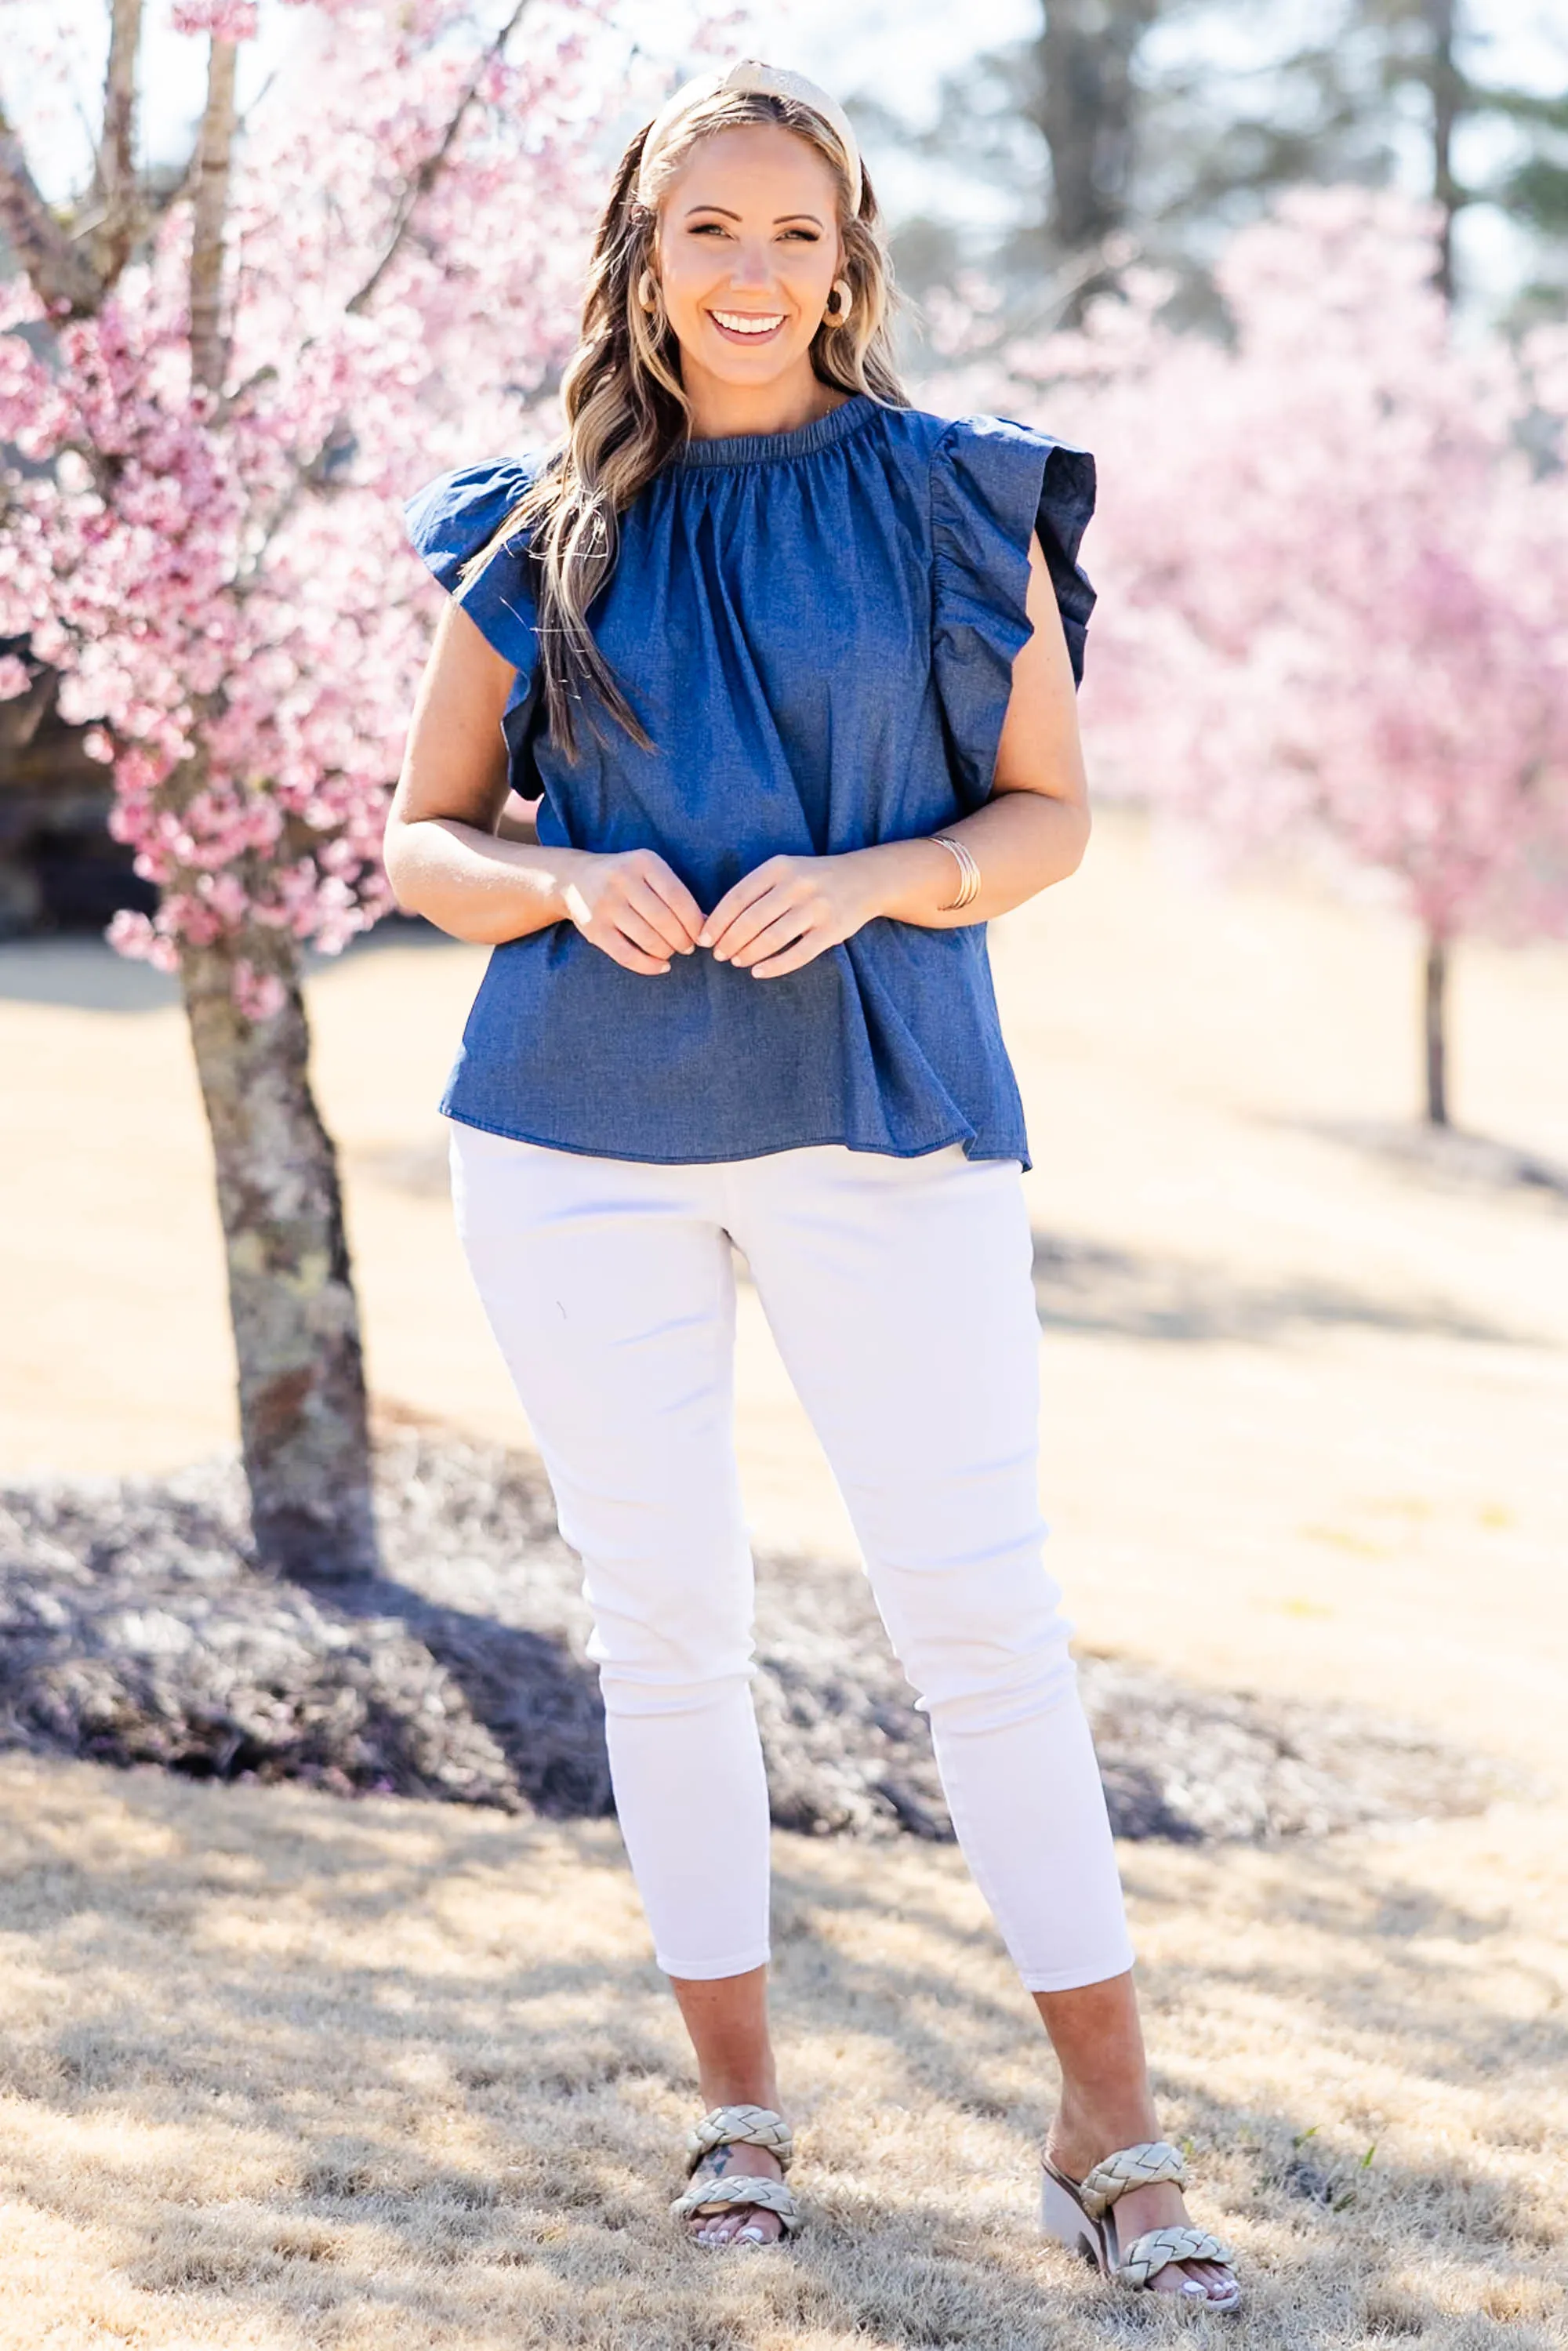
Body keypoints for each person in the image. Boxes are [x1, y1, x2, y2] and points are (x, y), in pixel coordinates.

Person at [384, 57, 1240, 2309]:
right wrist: (563, 892)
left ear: (850, 253)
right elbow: (423, 840)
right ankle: (739, 2118)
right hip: (572, 1141)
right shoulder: (533, 514)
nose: (753, 273)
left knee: (982, 1618)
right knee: (662, 1629)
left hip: (884, 1117)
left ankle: (1113, 2127)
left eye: (794, 232)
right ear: (641, 260)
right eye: (708, 232)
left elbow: (1047, 812)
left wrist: (874, 879)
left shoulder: (958, 504)